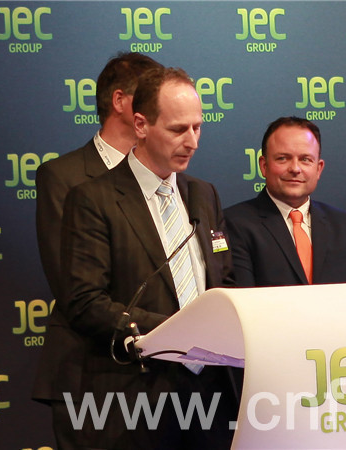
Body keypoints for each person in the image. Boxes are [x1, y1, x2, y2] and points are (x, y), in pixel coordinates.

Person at [54, 67, 237, 448]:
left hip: (211, 396)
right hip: (136, 397)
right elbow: (85, 302)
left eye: (197, 128)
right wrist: (177, 332)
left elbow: (224, 279)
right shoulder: (93, 200)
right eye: (178, 129)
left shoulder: (204, 194)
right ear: (140, 125)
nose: (192, 141)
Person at [32, 52, 163, 447]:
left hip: (162, 375)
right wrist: (167, 327)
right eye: (150, 94)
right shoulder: (64, 177)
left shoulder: (169, 181)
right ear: (121, 101)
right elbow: (73, 286)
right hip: (90, 373)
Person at [224, 116, 346, 287]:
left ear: (318, 169)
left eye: (305, 159)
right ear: (264, 166)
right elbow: (242, 298)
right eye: (283, 158)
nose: (295, 168)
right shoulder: (235, 223)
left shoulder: (344, 224)